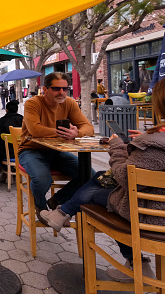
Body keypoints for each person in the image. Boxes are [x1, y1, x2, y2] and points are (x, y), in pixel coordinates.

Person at [41, 77, 165, 282]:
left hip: (149, 217)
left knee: (94, 192)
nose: (62, 92)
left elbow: (124, 177)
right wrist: (142, 141)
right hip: (156, 206)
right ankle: (60, 212)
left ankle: (62, 212)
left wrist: (117, 147)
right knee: (98, 177)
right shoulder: (152, 142)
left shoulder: (152, 145)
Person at [18, 72, 94, 219]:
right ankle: (41, 207)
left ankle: (56, 201)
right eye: (56, 89)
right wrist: (62, 133)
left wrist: (76, 133)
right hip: (31, 150)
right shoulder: (33, 103)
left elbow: (88, 127)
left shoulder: (69, 103)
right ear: (44, 90)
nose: (62, 92)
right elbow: (35, 130)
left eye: (65, 89)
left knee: (89, 175)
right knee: (42, 179)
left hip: (57, 151)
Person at [0, 100, 23, 166]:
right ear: (17, 110)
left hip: (6, 154)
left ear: (6, 110)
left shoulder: (1, 121)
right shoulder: (23, 120)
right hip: (22, 153)